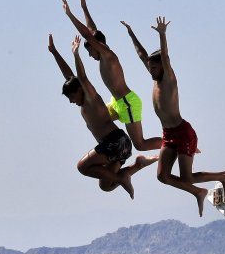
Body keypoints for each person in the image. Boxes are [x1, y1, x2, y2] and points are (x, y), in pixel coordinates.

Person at [122, 16, 225, 216]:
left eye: (154, 67)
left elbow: (165, 56)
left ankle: (223, 176)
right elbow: (141, 54)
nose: (150, 71)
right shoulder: (155, 77)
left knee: (186, 177)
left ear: (163, 66)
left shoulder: (169, 78)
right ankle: (198, 192)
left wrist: (163, 35)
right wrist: (131, 34)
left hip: (182, 132)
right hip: (168, 133)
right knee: (162, 176)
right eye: (150, 67)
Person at [48, 34, 156, 199]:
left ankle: (121, 177)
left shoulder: (91, 98)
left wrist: (76, 54)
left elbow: (81, 77)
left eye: (71, 97)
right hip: (119, 147)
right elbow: (69, 76)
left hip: (115, 143)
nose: (71, 102)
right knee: (105, 185)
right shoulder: (82, 99)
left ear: (78, 91)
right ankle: (138, 165)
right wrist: (54, 52)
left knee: (82, 167)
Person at [61, 0, 162, 154]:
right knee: (96, 119)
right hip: (117, 103)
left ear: (97, 45)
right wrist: (84, 8)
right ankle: (111, 154)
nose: (90, 55)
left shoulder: (108, 56)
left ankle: (172, 143)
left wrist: (70, 14)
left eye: (90, 51)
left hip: (127, 102)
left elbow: (88, 34)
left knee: (140, 145)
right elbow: (92, 30)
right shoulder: (102, 54)